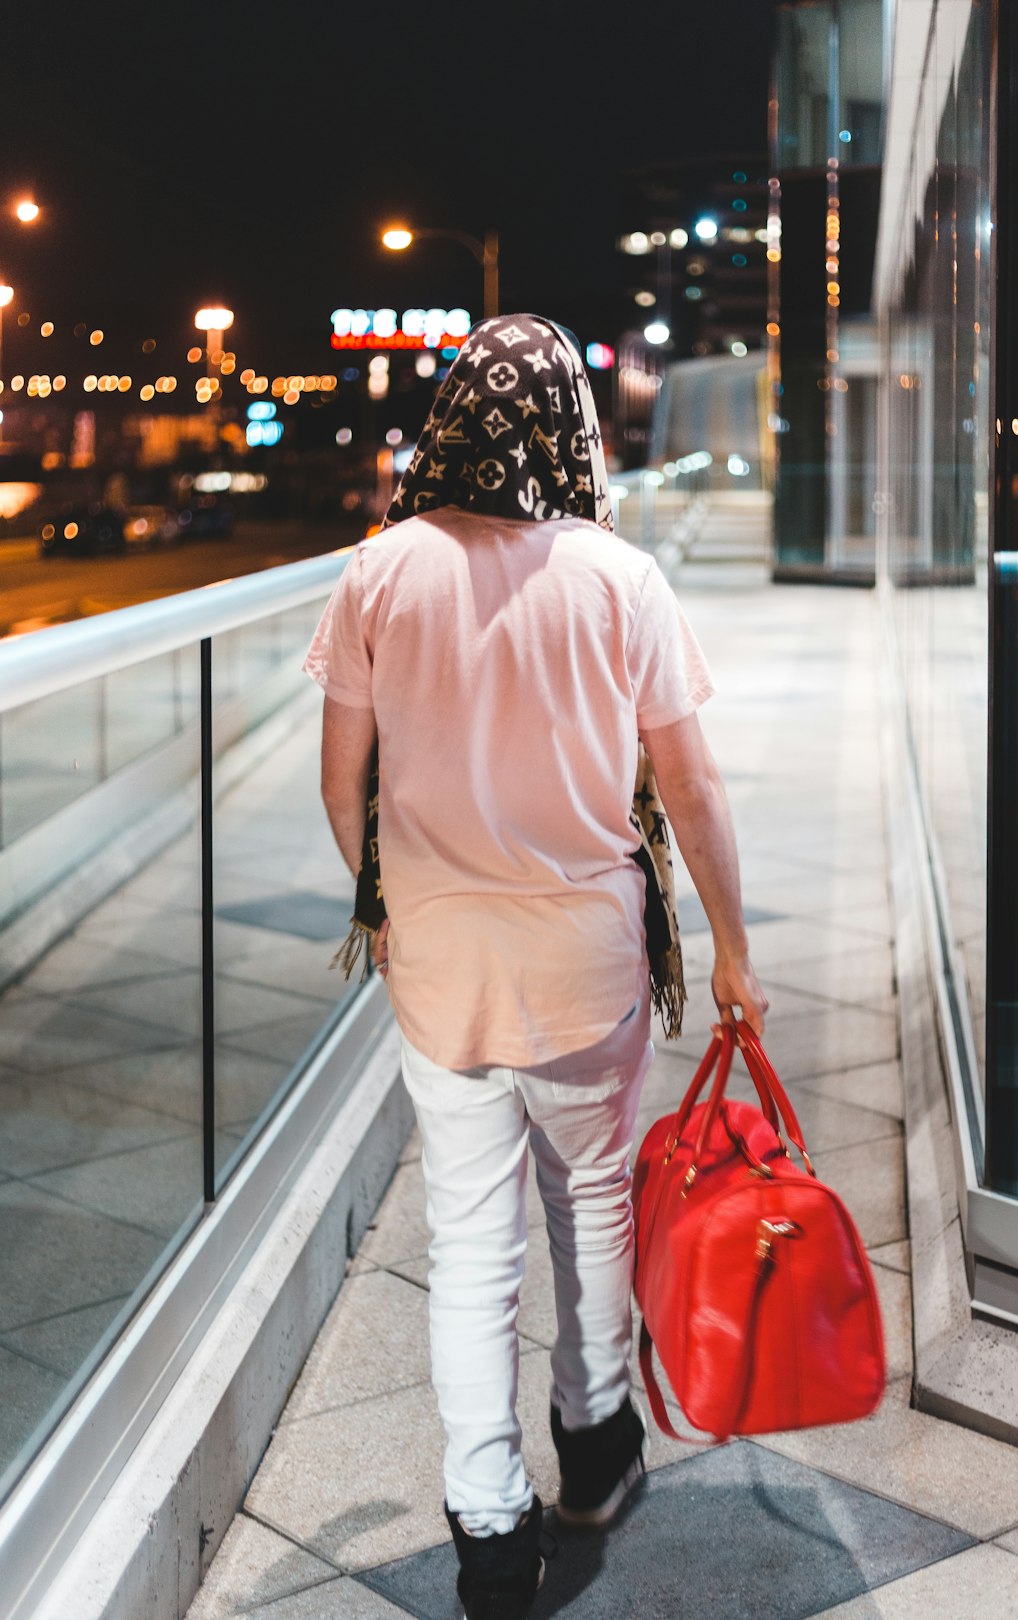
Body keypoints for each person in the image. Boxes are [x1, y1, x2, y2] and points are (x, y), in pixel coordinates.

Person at [305, 314, 766, 1620]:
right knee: (595, 1207)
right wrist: (732, 948)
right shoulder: (618, 579)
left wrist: (380, 899)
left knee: (470, 1248)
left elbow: (345, 780)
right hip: (584, 969)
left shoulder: (379, 572)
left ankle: (490, 1534)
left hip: (441, 972)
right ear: (572, 424)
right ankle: (596, 1449)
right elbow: (692, 781)